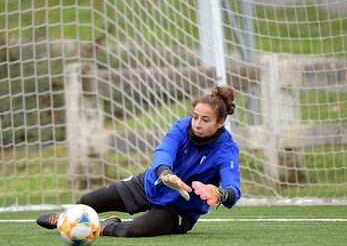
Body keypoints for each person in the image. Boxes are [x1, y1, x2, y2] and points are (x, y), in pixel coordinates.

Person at [37, 85, 241, 237]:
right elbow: (164, 151)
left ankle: (105, 227)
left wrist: (221, 193)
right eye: (195, 116)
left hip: (179, 210)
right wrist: (164, 173)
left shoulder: (226, 150)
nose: (196, 124)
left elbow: (233, 187)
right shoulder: (182, 127)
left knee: (136, 229)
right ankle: (66, 219)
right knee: (88, 202)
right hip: (150, 183)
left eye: (205, 120)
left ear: (220, 122)